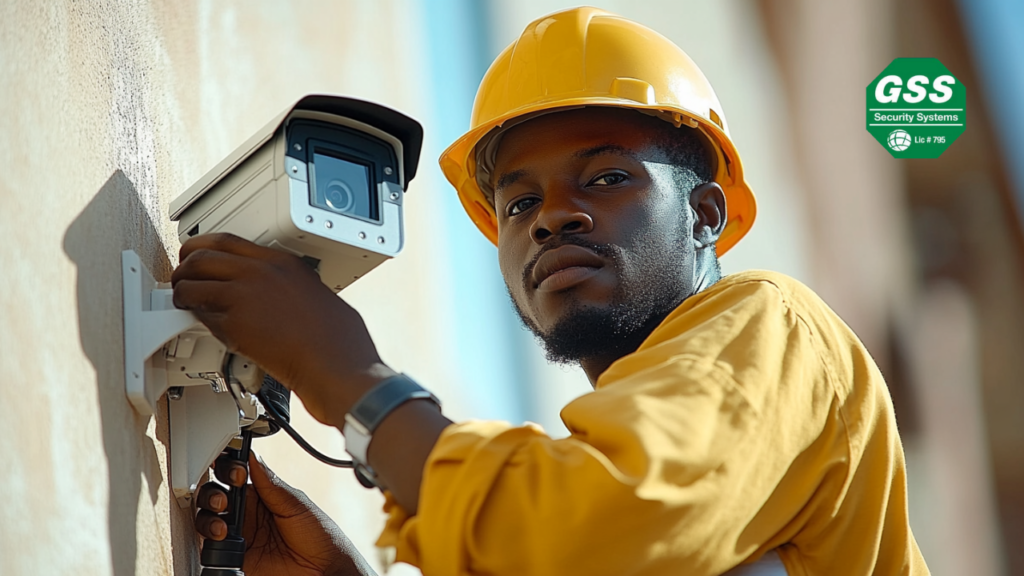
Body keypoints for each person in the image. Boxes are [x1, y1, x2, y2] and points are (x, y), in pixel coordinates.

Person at [174, 7, 929, 576]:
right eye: (518, 204)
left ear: (704, 215)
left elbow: (596, 528)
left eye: (606, 178)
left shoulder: (775, 327)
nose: (551, 218)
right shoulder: (630, 450)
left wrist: (342, 374)